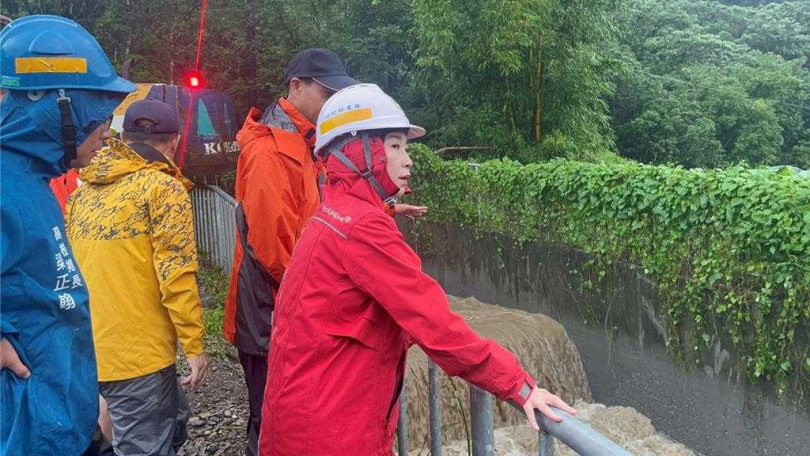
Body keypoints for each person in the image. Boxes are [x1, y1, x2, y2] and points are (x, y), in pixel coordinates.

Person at [258, 84, 577, 455]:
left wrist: (388, 208)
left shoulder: (333, 211)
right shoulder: (365, 229)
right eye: (395, 146)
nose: (408, 160)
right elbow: (436, 324)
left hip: (300, 420)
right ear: (357, 152)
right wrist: (519, 386)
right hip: (331, 434)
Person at [0, 15, 135, 455]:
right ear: (57, 108)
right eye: (96, 117)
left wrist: (81, 391)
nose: (104, 135)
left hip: (58, 412)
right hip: (28, 429)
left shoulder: (30, 180)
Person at [223, 47, 361, 456]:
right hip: (268, 310)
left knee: (291, 414)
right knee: (270, 419)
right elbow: (271, 249)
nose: (331, 103)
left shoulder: (304, 144)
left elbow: (319, 207)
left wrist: (382, 208)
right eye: (325, 93)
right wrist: (324, 291)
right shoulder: (270, 149)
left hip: (289, 305)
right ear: (295, 87)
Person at [66, 99, 209, 455]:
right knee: (146, 445)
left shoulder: (83, 192)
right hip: (139, 357)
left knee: (119, 436)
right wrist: (193, 346)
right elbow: (176, 275)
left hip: (88, 349)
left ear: (122, 137)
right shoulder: (163, 190)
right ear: (174, 142)